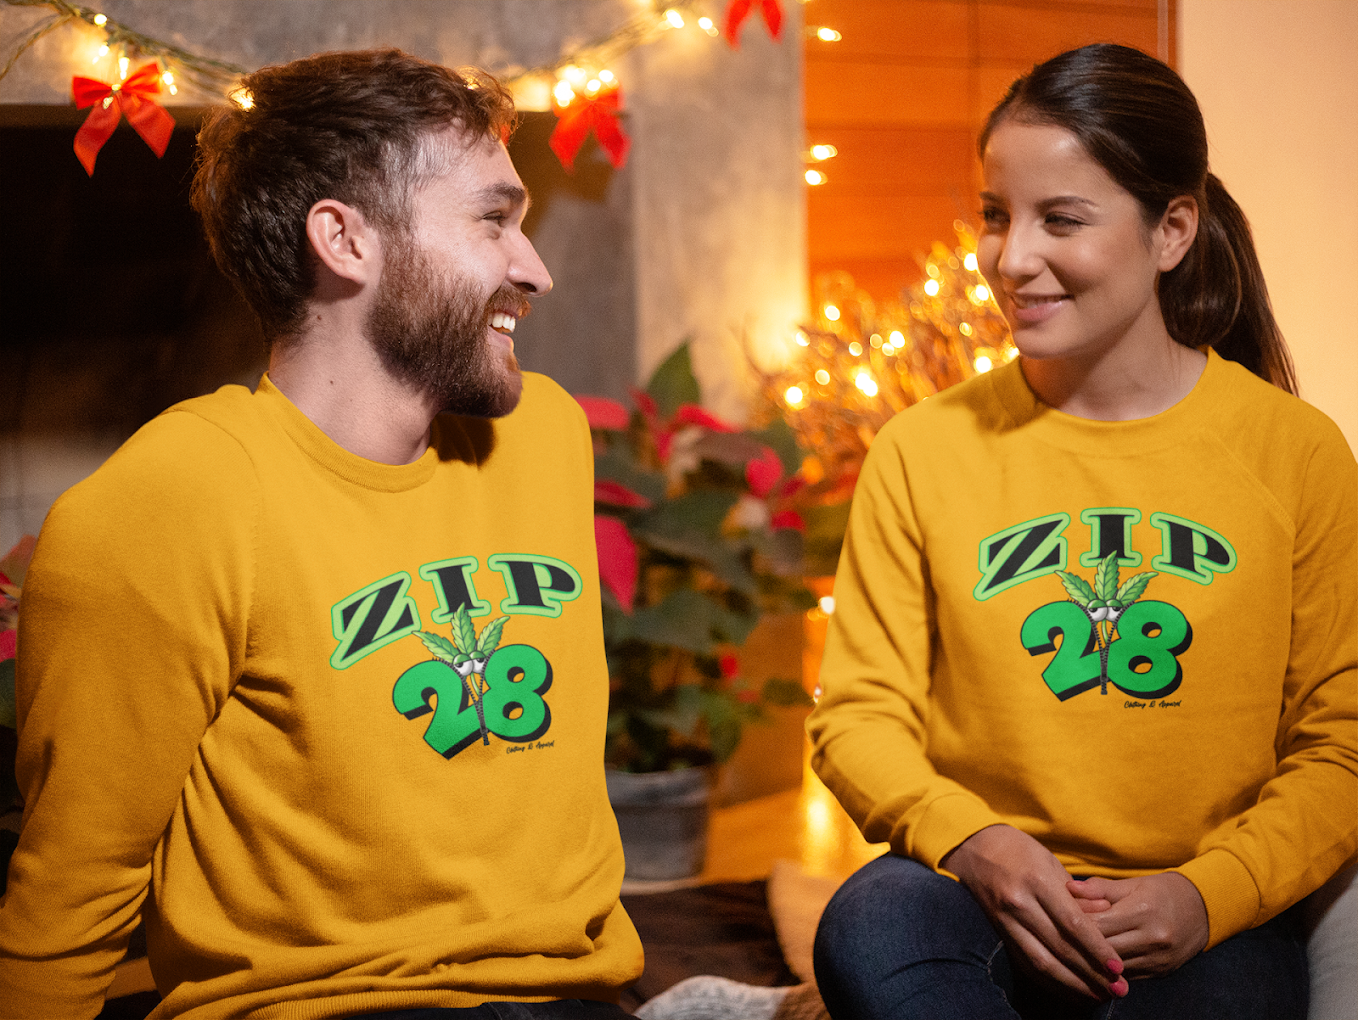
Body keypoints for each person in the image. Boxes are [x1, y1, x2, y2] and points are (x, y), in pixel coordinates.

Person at [0, 49, 643, 1019]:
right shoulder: (165, 505)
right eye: (492, 219)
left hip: (577, 995)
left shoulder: (542, 433)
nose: (534, 268)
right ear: (344, 240)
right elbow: (72, 888)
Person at [808, 43, 1356, 1020]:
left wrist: (1204, 894)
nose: (1009, 259)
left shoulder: (1295, 455)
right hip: (978, 896)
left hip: (1194, 916)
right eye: (994, 215)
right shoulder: (919, 449)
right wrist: (973, 843)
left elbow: (1340, 746)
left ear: (1170, 231)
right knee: (868, 922)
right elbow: (855, 717)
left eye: (1059, 219)